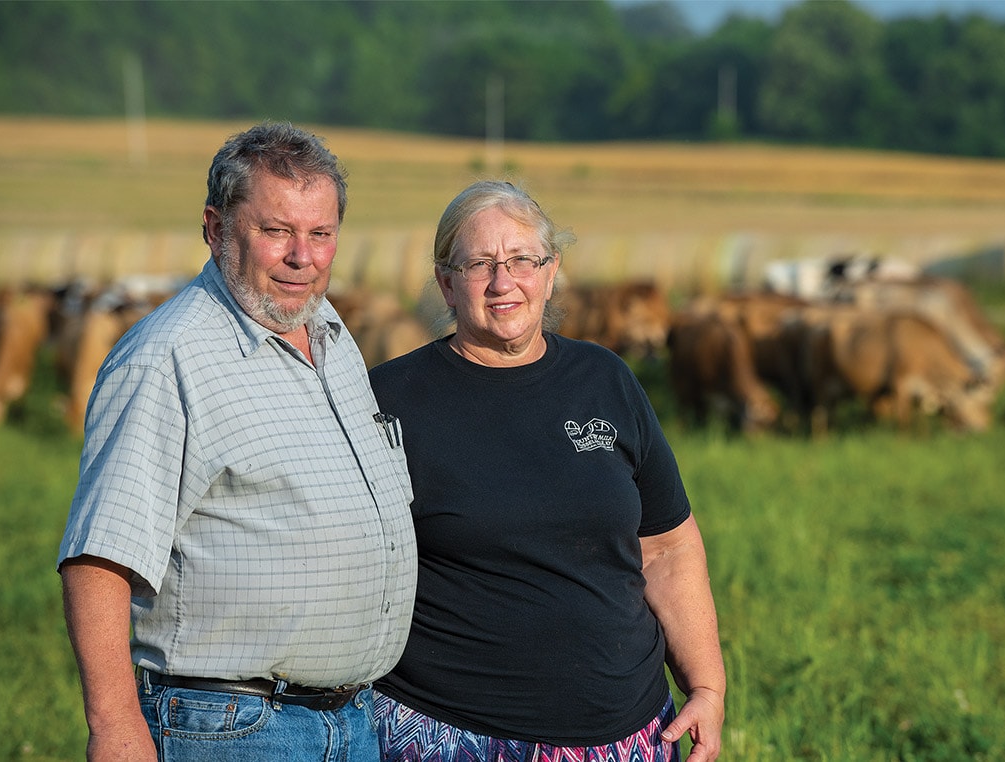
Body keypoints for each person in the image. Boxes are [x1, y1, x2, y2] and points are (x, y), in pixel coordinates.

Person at [57, 121, 417, 762]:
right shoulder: (168, 359)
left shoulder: (330, 333)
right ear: (216, 227)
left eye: (321, 234)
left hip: (355, 720)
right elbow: (100, 560)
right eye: (276, 231)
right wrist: (116, 730)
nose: (302, 256)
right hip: (232, 726)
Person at [369, 180, 726, 762]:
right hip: (451, 734)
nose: (503, 282)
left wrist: (708, 687)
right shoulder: (389, 401)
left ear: (552, 270)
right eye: (480, 264)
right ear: (446, 283)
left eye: (521, 261)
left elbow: (667, 546)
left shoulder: (605, 379)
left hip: (630, 732)